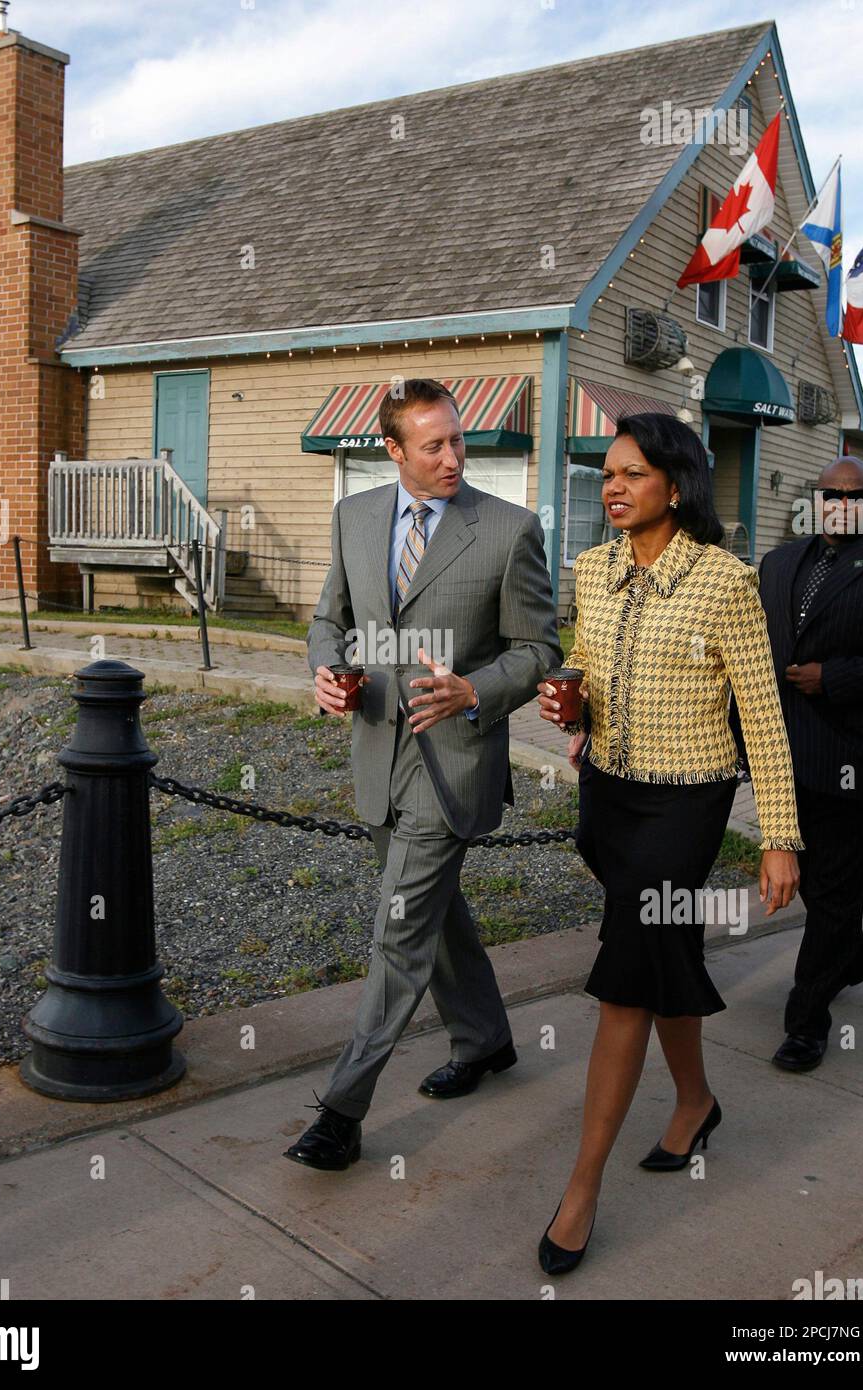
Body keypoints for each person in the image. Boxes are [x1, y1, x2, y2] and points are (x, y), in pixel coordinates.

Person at [534, 412, 802, 1275]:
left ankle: (581, 1189)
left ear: (676, 487)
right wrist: (571, 706)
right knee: (662, 958)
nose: (612, 487)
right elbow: (587, 661)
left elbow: (762, 709)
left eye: (633, 474)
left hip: (686, 806)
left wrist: (780, 838)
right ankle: (695, 1101)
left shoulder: (726, 581)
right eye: (607, 473)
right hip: (608, 794)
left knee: (624, 979)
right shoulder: (592, 567)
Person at [284, 378, 563, 1170]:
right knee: (433, 914)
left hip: (457, 760)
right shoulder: (354, 517)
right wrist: (328, 671)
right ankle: (486, 1039)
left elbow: (541, 649)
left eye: (457, 440)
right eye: (433, 445)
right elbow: (329, 620)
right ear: (393, 450)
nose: (452, 456)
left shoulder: (509, 530)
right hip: (378, 752)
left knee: (398, 931)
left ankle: (341, 1112)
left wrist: (477, 689)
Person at [732, 455, 863, 1073]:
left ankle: (806, 1023)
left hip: (853, 752)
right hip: (784, 753)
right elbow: (751, 649)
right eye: (829, 494)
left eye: (853, 495)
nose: (839, 503)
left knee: (834, 888)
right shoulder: (780, 562)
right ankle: (849, 956)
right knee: (814, 879)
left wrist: (833, 677)